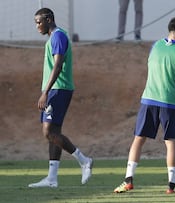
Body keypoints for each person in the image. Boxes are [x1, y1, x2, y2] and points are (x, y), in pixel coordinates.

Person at [113, 17, 175, 194]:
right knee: (171, 143)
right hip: (170, 102)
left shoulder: (155, 46)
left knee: (138, 139)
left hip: (148, 99)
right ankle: (171, 186)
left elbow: (154, 68)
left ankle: (128, 180)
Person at [28, 8, 93, 188]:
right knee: (53, 132)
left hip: (58, 89)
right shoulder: (55, 37)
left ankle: (84, 160)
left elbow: (57, 66)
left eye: (39, 22)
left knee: (48, 132)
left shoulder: (58, 37)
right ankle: (52, 178)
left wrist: (45, 92)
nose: (37, 26)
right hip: (56, 89)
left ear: (49, 19)